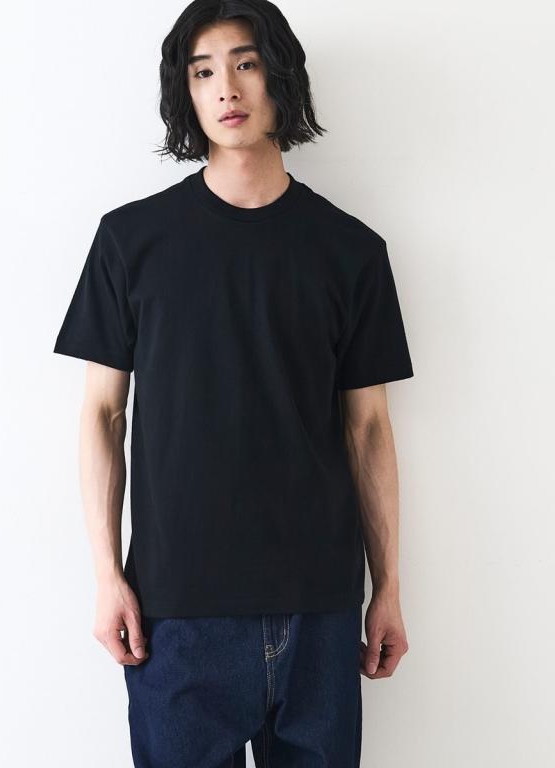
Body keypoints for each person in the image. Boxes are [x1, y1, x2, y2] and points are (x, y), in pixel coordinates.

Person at [53, 1, 414, 765]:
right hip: (177, 613)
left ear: (281, 76)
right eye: (203, 71)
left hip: (318, 609)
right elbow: (101, 414)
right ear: (184, 91)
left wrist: (387, 586)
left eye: (246, 63)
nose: (227, 88)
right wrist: (107, 576)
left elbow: (369, 428)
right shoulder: (131, 241)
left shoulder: (350, 251)